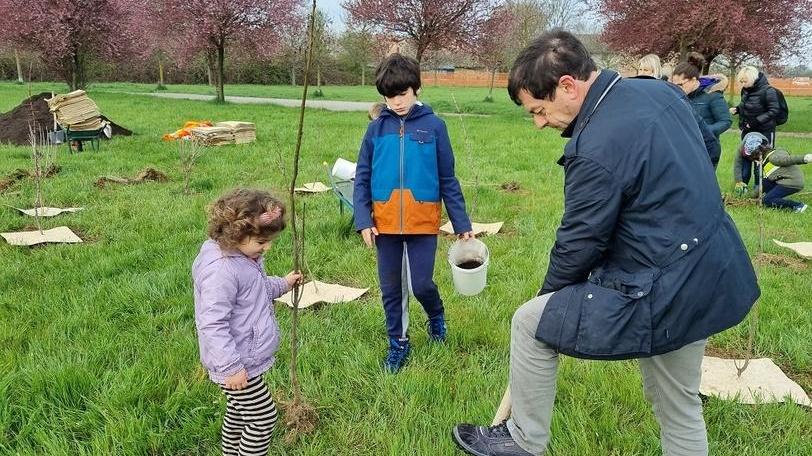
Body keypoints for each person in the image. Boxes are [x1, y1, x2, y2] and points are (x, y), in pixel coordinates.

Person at [452, 30, 758, 456]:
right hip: (712, 262)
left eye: (539, 110)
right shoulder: (658, 92)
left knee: (529, 322)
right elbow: (707, 150)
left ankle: (522, 442)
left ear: (568, 86)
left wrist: (549, 298)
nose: (539, 123)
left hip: (668, 283)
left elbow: (580, 241)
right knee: (678, 401)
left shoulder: (595, 146)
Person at [353, 53, 474, 373]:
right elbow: (362, 176)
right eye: (389, 96)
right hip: (385, 224)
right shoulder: (376, 130)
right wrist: (363, 219)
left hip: (423, 222)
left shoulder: (435, 126)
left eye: (402, 93)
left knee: (421, 284)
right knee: (392, 287)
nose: (396, 102)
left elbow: (448, 178)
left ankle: (436, 316)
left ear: (416, 88)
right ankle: (398, 343)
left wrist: (462, 223)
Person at [192, 188, 302, 456]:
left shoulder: (243, 257)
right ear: (236, 235)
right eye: (261, 242)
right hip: (237, 362)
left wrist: (284, 284)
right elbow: (212, 324)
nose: (267, 248)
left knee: (239, 413)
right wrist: (231, 367)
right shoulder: (222, 269)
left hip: (243, 356)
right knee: (263, 418)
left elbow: (257, 289)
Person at [670, 53, 732, 168]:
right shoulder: (678, 96)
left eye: (680, 85)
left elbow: (726, 121)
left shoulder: (712, 95)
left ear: (693, 80)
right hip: (683, 149)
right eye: (674, 85)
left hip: (707, 150)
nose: (677, 89)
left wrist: (704, 131)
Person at [730, 66, 782, 187]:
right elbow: (746, 105)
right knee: (746, 156)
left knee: (762, 160)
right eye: (741, 81)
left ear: (753, 78)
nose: (743, 84)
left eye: (745, 81)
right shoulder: (745, 90)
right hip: (748, 130)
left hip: (765, 131)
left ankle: (761, 187)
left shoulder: (768, 91)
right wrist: (737, 109)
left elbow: (774, 110)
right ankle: (743, 186)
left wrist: (755, 121)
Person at [735, 132, 810, 212]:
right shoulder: (765, 158)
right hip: (780, 179)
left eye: (751, 156)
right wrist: (749, 198)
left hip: (792, 183)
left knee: (767, 201)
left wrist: (805, 158)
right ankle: (755, 197)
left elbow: (788, 159)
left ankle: (798, 206)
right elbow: (763, 184)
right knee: (765, 182)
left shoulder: (773, 158)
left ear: (757, 153)